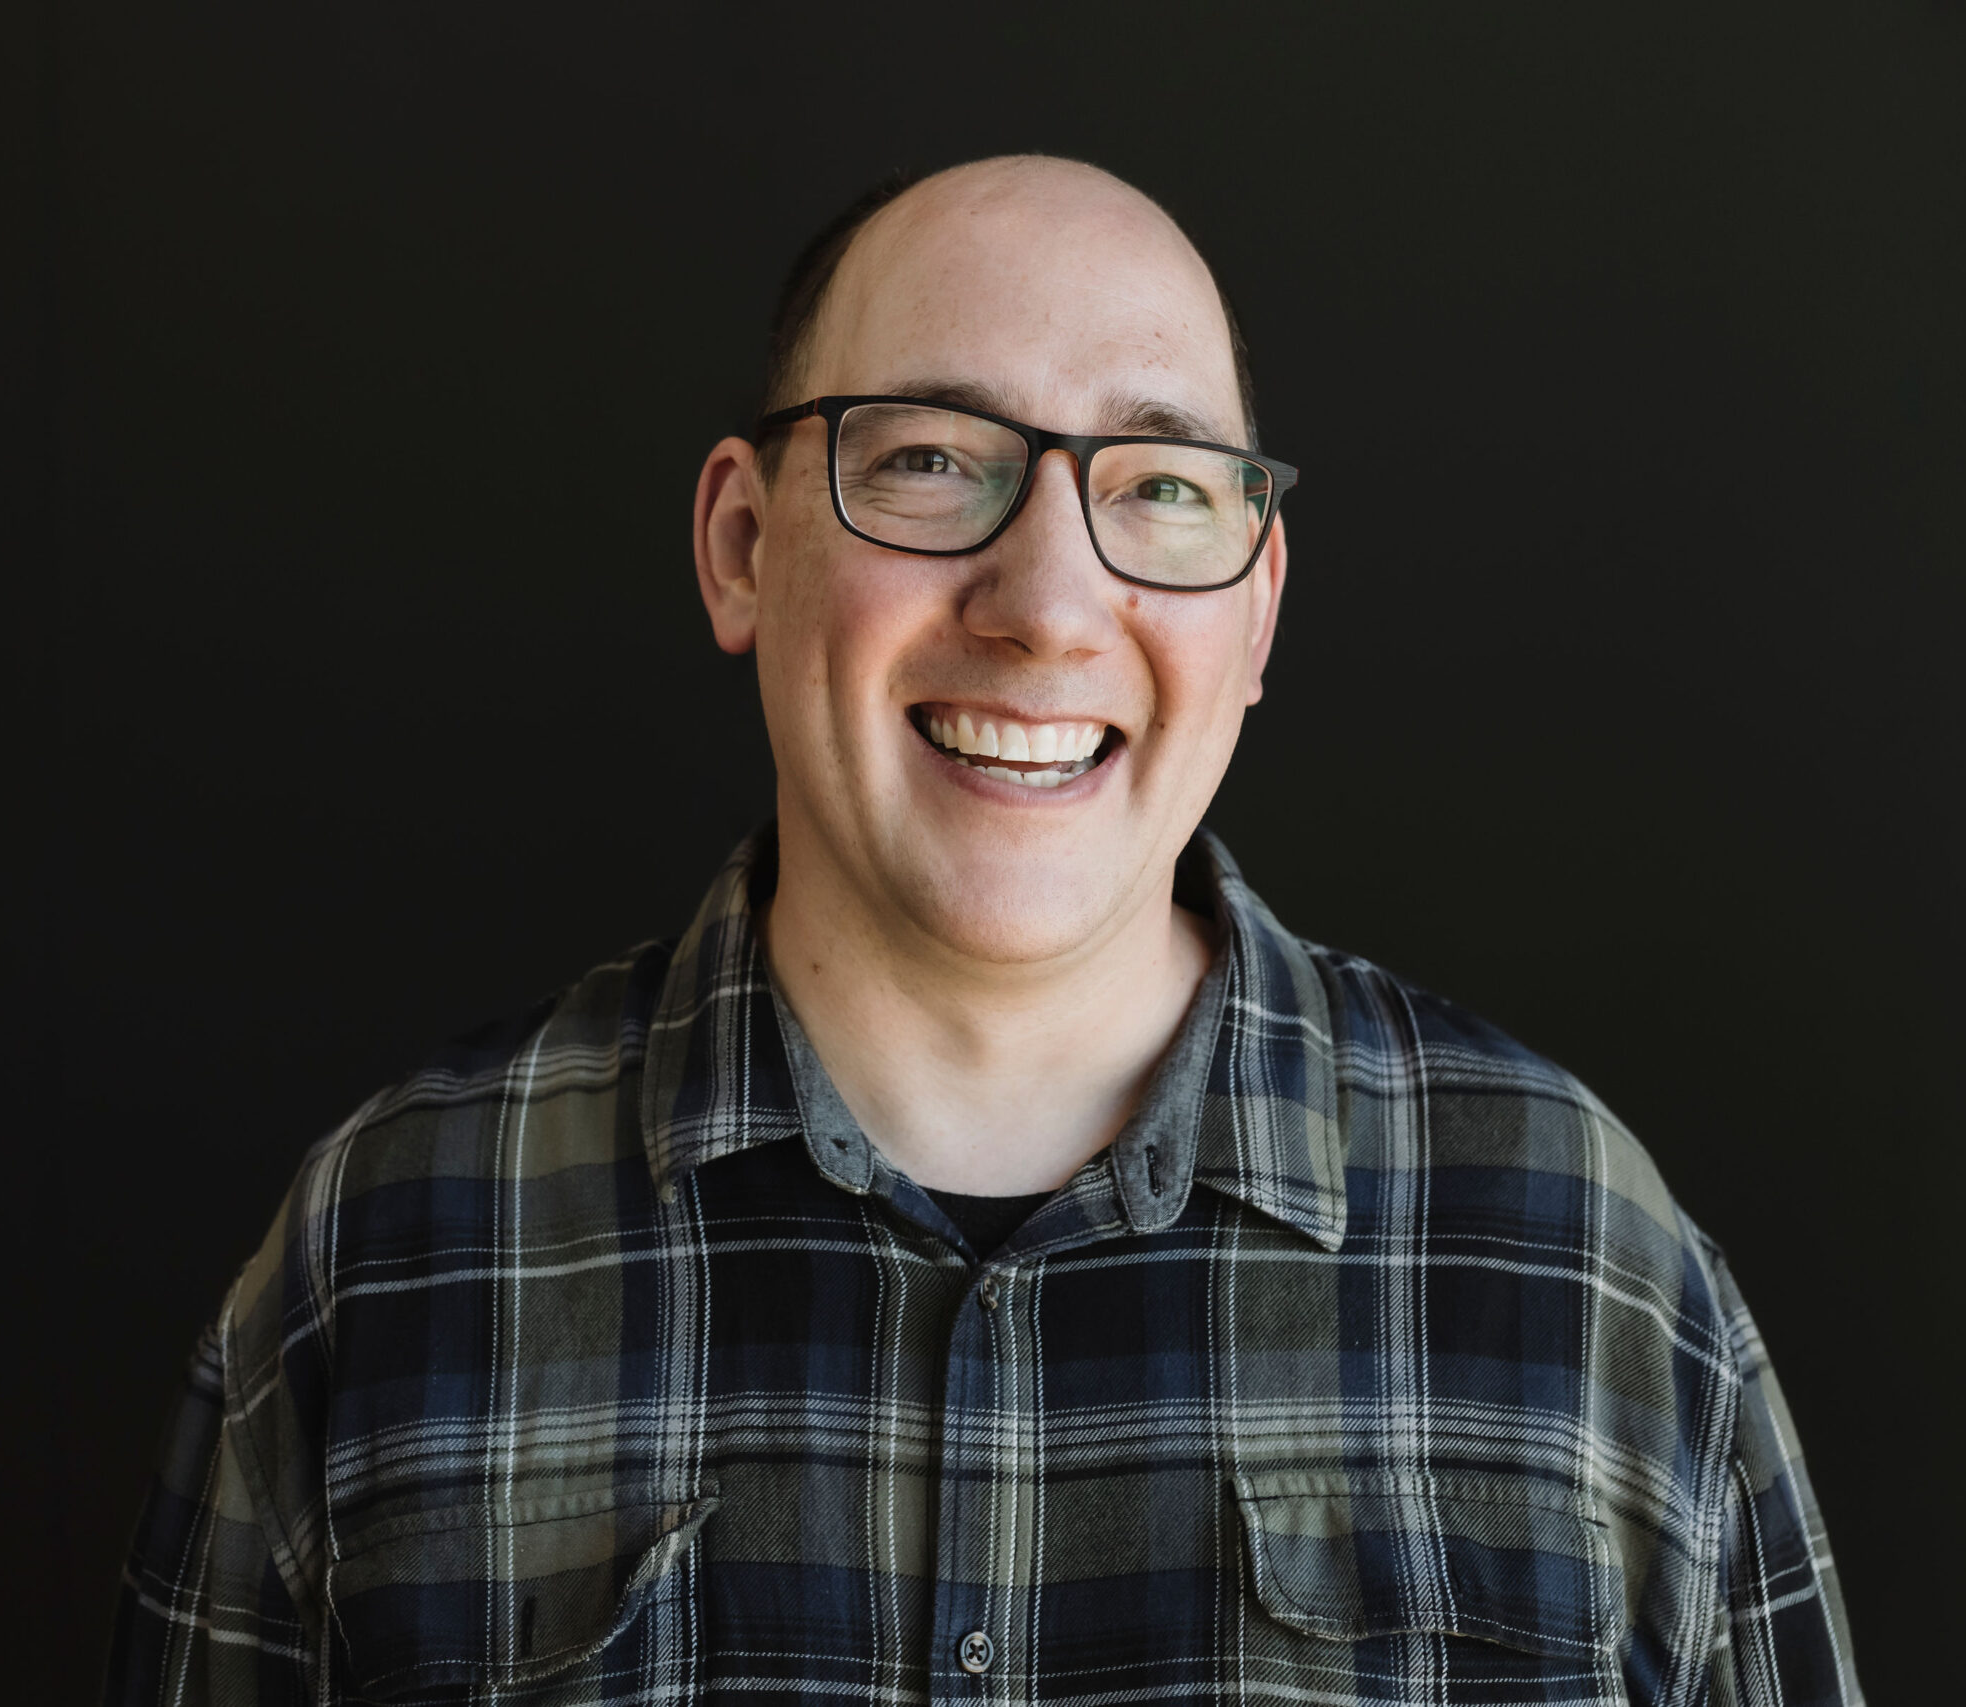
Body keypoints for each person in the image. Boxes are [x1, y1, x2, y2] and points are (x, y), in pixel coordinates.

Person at [106, 155, 1859, 1706]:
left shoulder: (1585, 1267)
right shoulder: (389, 1261)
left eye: (1163, 487)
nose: (1046, 604)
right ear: (738, 544)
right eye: (936, 461)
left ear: (1256, 614)